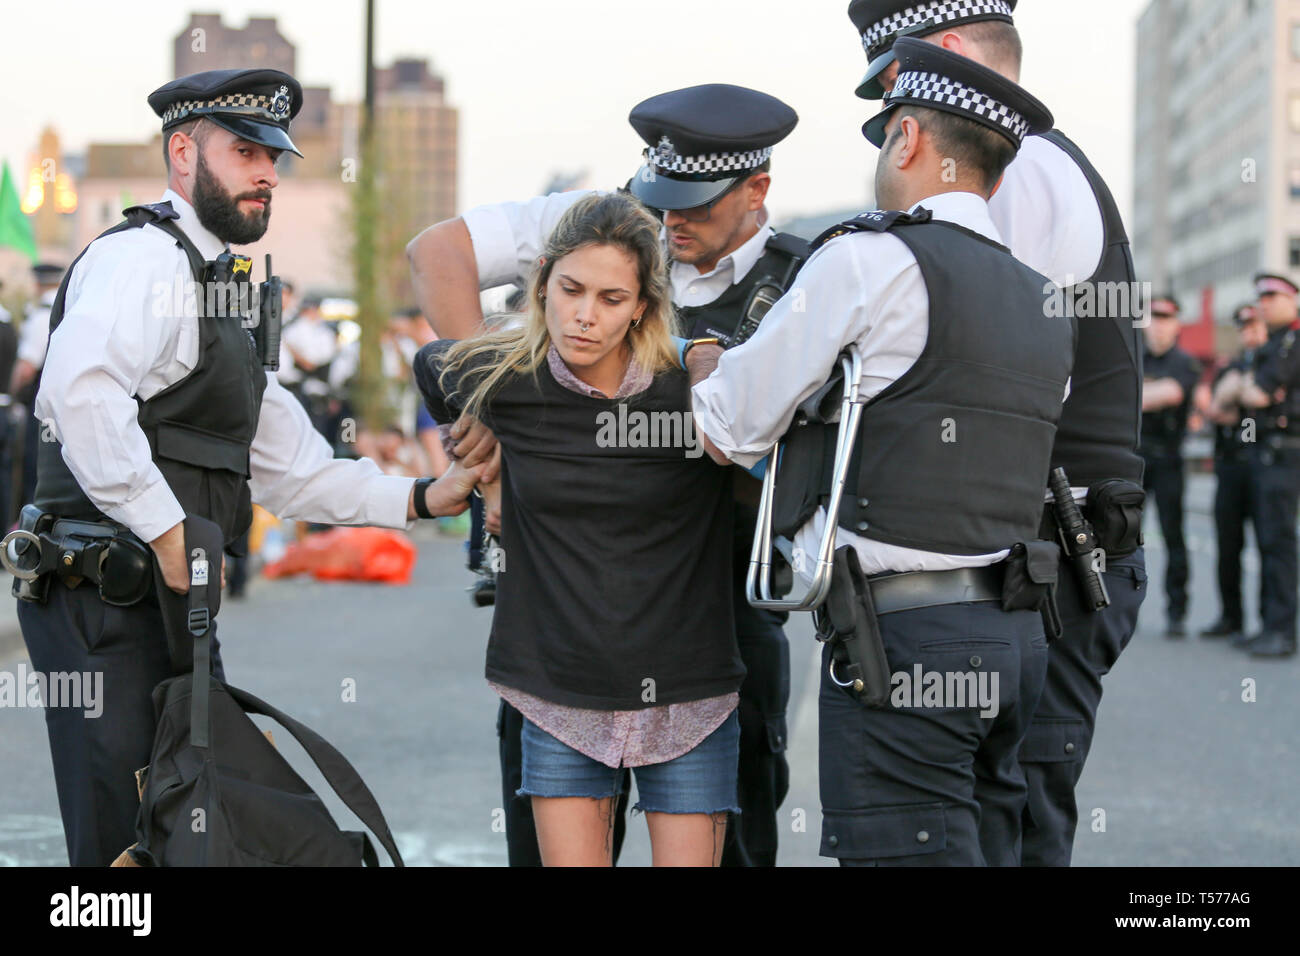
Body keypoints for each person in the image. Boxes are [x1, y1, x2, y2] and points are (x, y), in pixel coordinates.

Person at [14, 68, 486, 867]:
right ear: (181, 155)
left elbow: (291, 468)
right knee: (122, 845)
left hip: (167, 602)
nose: (267, 171)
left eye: (274, 155)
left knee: (185, 829)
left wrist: (418, 495)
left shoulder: (218, 285)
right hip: (106, 600)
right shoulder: (142, 260)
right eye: (243, 151)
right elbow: (79, 395)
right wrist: (168, 535)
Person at [692, 39, 1071, 866]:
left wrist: (702, 366)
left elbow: (725, 427)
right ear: (996, 173)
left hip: (904, 641)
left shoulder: (869, 258)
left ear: (907, 140)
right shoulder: (1044, 299)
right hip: (1015, 635)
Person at [407, 84, 805, 867]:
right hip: (565, 615)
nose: (671, 221)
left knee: (739, 847)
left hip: (716, 606)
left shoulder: (806, 280)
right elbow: (436, 252)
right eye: (660, 197)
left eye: (697, 204)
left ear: (756, 191)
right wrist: (499, 396)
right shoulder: (599, 221)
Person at [846, 0, 1152, 867]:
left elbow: (975, 386)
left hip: (1050, 557)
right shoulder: (1039, 165)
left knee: (1006, 830)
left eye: (897, 101)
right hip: (1053, 549)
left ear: (944, 56)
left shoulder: (1011, 174)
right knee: (995, 818)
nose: (892, 136)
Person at [1231, 273, 1300, 658]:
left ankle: (1282, 630)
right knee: (1266, 541)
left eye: (1274, 296)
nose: (1266, 303)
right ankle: (1268, 624)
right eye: (1262, 297)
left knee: (1278, 543)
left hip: (1283, 452)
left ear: (1292, 299)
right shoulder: (1274, 343)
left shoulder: (1292, 341)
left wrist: (1249, 389)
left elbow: (1256, 395)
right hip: (1266, 452)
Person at [1201, 304, 1267, 641]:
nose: (1251, 333)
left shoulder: (1277, 365)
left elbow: (1257, 402)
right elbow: (1216, 410)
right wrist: (1242, 393)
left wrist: (1239, 395)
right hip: (1230, 465)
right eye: (1245, 327)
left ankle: (1270, 625)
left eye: (1256, 326)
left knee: (1269, 547)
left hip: (1263, 467)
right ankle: (1231, 617)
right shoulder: (1236, 367)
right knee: (1228, 546)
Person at [1140, 294, 1201, 637]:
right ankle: (1115, 607)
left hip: (1168, 459)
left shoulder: (1184, 363)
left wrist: (1137, 395)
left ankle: (1176, 610)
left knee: (1173, 534)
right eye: (1154, 316)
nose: (1159, 324)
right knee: (1122, 535)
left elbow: (1171, 394)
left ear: (1177, 324)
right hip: (1136, 456)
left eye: (1167, 318)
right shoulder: (1135, 358)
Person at [8, 263, 66, 522]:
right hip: (64, 403)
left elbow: (26, 369)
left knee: (32, 465)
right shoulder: (68, 306)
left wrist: (12, 395)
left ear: (37, 283)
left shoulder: (42, 313)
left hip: (40, 403)